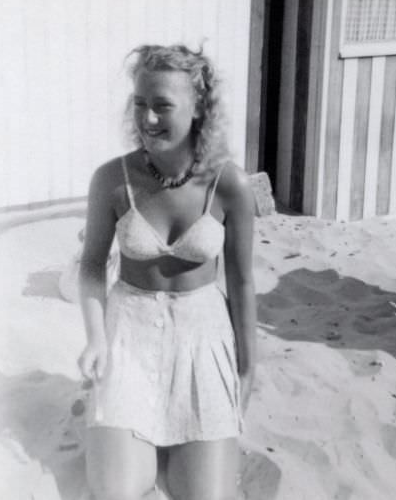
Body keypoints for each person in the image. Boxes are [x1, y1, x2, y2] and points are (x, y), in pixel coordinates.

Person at [77, 44, 256, 500]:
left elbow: (241, 280)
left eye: (162, 106)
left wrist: (248, 366)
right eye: (139, 103)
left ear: (198, 109)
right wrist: (97, 338)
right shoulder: (111, 179)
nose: (147, 119)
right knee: (116, 493)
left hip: (202, 340)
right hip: (128, 337)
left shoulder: (229, 183)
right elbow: (93, 266)